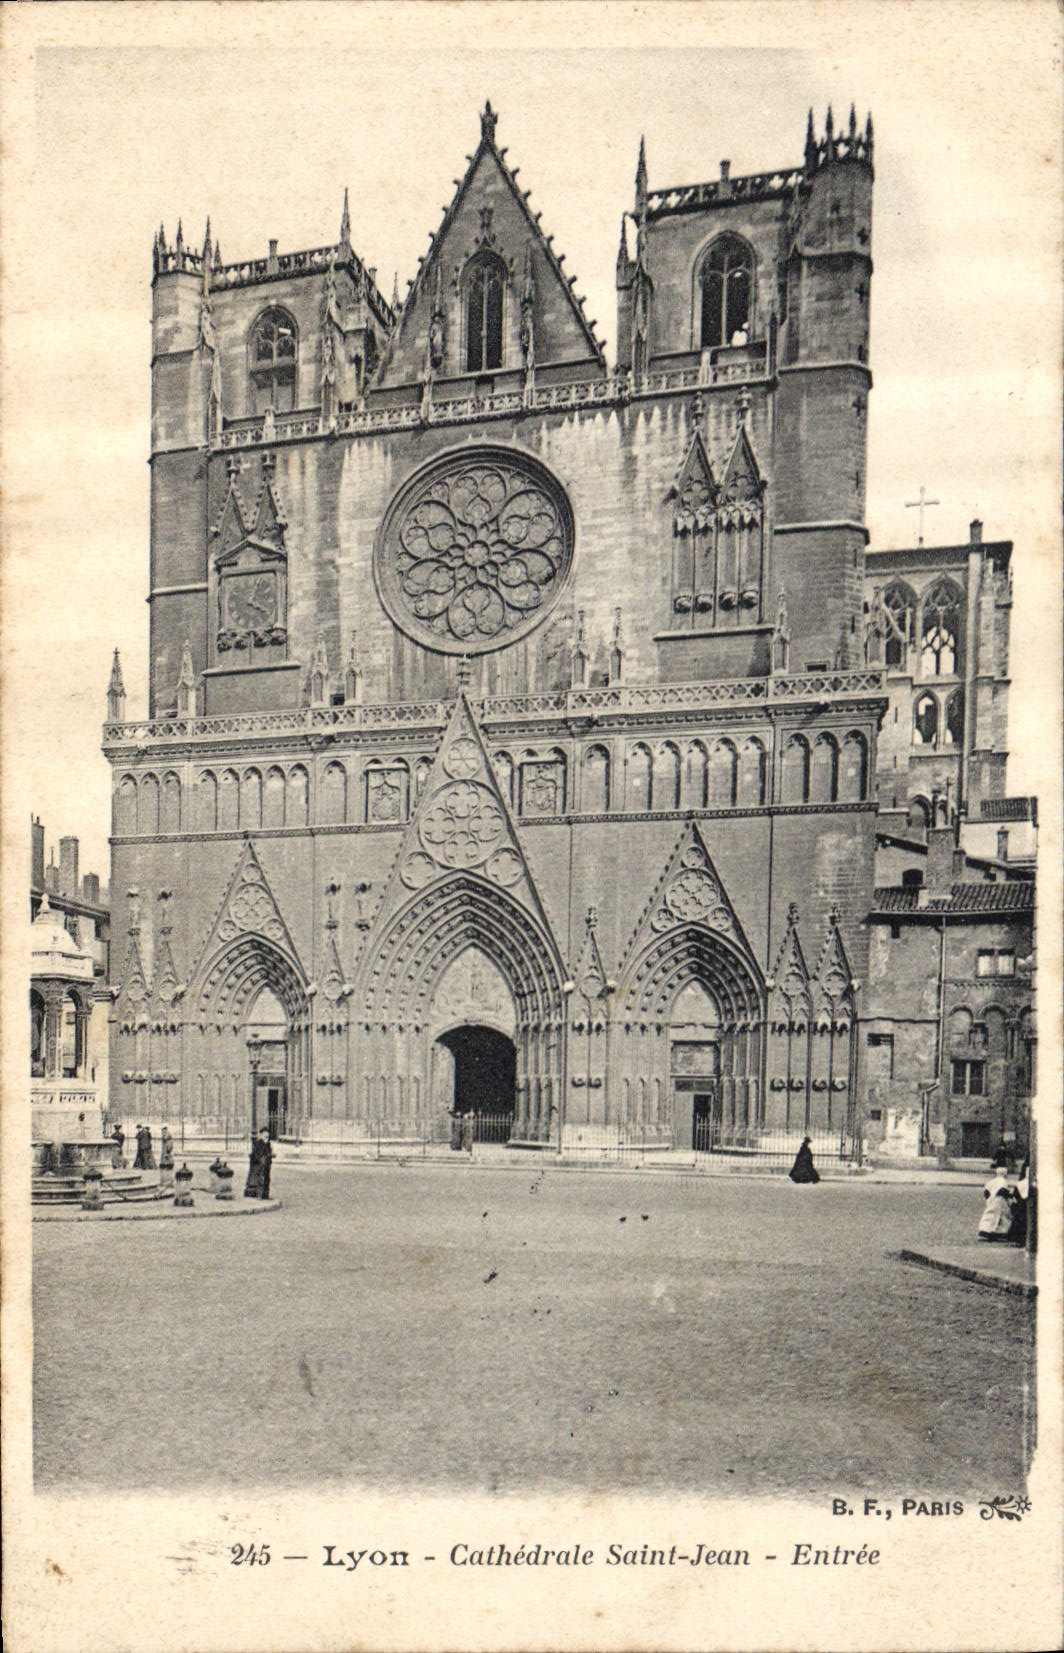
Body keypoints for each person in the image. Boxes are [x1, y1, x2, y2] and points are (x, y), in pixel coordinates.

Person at [244, 1127, 274, 1199]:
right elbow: (256, 1154)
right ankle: (259, 1195)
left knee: (267, 1179)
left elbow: (269, 1153)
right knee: (260, 1180)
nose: (266, 1137)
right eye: (265, 1136)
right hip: (259, 1165)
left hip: (267, 1164)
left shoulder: (268, 1144)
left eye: (267, 1136)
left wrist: (270, 1155)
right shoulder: (258, 1143)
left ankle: (266, 1195)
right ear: (261, 1135)